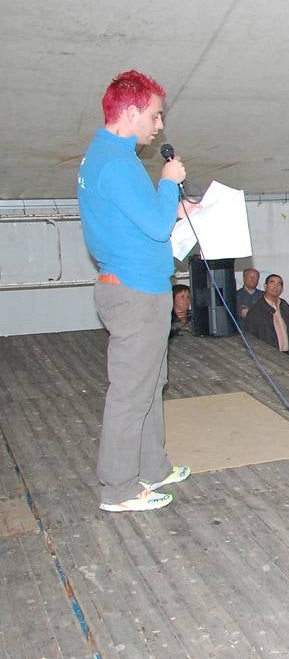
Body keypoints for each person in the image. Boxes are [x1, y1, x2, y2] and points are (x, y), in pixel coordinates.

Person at [78, 71, 199, 512]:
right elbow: (153, 224)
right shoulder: (115, 162)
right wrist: (169, 182)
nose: (159, 125)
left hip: (141, 289)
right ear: (130, 113)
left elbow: (142, 216)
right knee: (130, 393)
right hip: (135, 294)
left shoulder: (110, 157)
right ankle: (118, 488)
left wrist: (174, 203)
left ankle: (152, 466)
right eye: (154, 114)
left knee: (150, 383)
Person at [242, 274, 289, 357]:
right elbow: (251, 338)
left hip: (288, 355)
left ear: (282, 288)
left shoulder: (284, 305)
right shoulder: (256, 310)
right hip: (268, 357)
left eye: (279, 284)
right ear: (265, 286)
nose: (276, 286)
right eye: (272, 283)